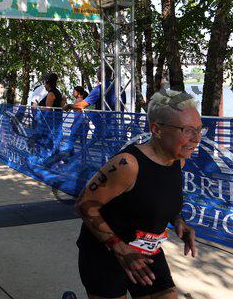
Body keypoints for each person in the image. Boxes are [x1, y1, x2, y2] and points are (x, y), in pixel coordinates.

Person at [75, 89, 201, 299]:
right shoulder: (127, 164)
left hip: (146, 252)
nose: (196, 139)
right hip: (105, 253)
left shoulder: (178, 161)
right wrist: (120, 248)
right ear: (156, 130)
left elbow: (156, 197)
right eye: (187, 130)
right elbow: (84, 205)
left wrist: (179, 220)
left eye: (198, 129)